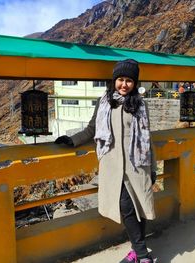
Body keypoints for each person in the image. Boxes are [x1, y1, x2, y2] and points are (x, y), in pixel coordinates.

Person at [55, 59, 157, 263]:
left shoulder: (139, 104)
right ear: (114, 80)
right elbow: (92, 129)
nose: (124, 84)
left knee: (139, 207)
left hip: (137, 165)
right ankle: (142, 254)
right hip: (112, 166)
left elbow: (147, 136)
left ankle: (139, 255)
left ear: (135, 83)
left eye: (129, 80)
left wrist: (153, 167)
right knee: (126, 207)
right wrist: (73, 140)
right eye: (120, 79)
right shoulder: (104, 102)